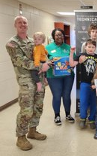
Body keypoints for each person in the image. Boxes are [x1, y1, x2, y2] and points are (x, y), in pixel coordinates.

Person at [6, 16, 49, 151]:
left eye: (25, 22)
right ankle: (21, 137)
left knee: (38, 106)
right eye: (20, 22)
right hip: (26, 81)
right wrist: (41, 67)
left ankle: (32, 130)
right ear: (15, 25)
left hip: (39, 79)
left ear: (28, 25)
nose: (22, 24)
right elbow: (21, 61)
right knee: (26, 110)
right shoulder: (12, 43)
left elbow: (41, 56)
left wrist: (45, 69)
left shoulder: (33, 41)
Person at [46, 28, 75, 126]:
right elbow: (44, 61)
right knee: (57, 96)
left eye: (61, 35)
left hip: (68, 76)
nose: (59, 37)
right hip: (53, 76)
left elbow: (73, 61)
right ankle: (57, 115)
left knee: (67, 95)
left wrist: (72, 64)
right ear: (53, 36)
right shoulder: (48, 48)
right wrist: (49, 62)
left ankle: (68, 114)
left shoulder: (68, 47)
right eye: (57, 35)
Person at [69, 39, 97, 129]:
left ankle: (92, 120)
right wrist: (71, 53)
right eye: (89, 46)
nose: (91, 49)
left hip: (95, 83)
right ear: (85, 47)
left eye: (93, 47)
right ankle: (82, 119)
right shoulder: (81, 56)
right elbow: (71, 64)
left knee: (94, 102)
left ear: (95, 48)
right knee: (83, 102)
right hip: (84, 83)